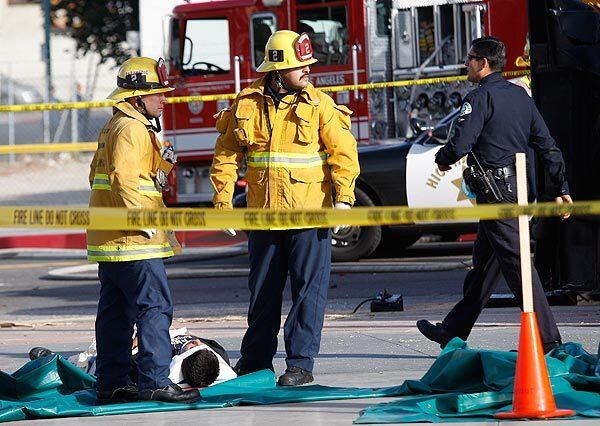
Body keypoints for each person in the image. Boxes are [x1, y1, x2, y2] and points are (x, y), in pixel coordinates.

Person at [209, 30, 360, 386]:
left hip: (310, 215)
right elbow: (227, 155)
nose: (307, 70)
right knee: (262, 294)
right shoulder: (246, 104)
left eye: (308, 64)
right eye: (300, 65)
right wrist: (222, 201)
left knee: (309, 291)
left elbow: (344, 154)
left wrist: (344, 199)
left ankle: (300, 365)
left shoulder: (320, 104)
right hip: (263, 217)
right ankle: (257, 362)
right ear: (277, 71)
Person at [416, 36, 573, 354]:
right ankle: (452, 330)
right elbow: (547, 145)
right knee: (485, 267)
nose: (466, 64)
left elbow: (460, 144)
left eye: (470, 58)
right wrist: (561, 188)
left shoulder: (479, 98)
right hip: (517, 192)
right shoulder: (521, 97)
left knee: (518, 269)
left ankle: (549, 340)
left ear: (483, 63)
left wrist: (443, 159)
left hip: (497, 196)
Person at [87, 57, 199, 404]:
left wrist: (161, 163)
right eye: (158, 94)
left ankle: (112, 383)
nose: (164, 100)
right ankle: (154, 381)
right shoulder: (133, 129)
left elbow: (98, 176)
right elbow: (122, 180)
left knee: (115, 312)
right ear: (137, 98)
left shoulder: (114, 127)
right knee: (155, 307)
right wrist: (143, 221)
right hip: (135, 240)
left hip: (111, 240)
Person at [28, 328, 237, 388]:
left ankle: (56, 362)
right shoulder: (215, 354)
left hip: (114, 354)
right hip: (153, 332)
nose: (195, 342)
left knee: (86, 363)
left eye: (192, 345)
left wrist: (138, 340)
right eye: (198, 344)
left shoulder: (160, 362)